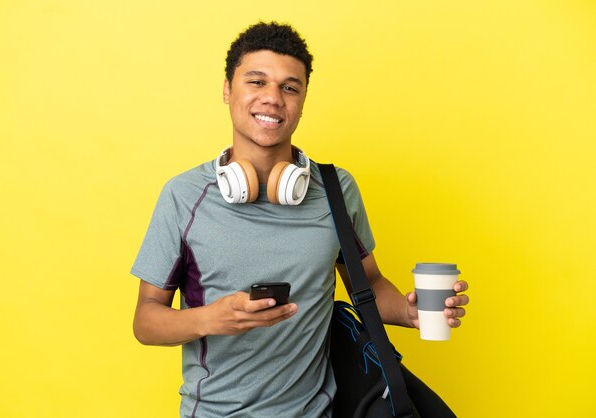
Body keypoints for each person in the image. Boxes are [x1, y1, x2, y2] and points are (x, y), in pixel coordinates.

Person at [131, 22, 469, 418]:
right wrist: (212, 318)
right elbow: (146, 320)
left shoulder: (335, 188)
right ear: (227, 89)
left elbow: (370, 284)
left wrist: (411, 313)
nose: (273, 99)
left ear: (303, 100)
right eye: (256, 82)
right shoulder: (183, 195)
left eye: (289, 87)